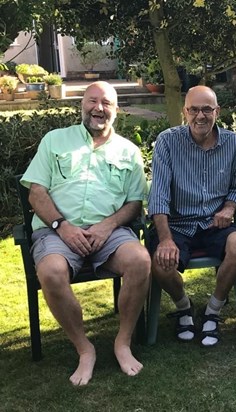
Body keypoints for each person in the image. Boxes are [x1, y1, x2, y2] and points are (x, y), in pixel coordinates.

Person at [20, 81, 150, 385]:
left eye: (106, 103)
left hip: (110, 233)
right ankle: (84, 348)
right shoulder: (55, 141)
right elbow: (36, 192)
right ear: (82, 104)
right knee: (51, 272)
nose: (98, 108)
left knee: (140, 261)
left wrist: (108, 225)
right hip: (57, 232)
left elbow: (134, 202)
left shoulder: (128, 152)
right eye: (93, 101)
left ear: (117, 110)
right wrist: (61, 227)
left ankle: (122, 342)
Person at [148, 85, 236, 348]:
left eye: (207, 109)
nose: (200, 116)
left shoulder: (232, 143)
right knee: (159, 261)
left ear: (217, 112)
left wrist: (228, 209)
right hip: (177, 224)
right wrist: (165, 240)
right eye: (194, 109)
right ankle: (184, 307)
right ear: (185, 112)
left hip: (214, 223)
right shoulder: (168, 141)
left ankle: (213, 311)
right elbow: (158, 195)